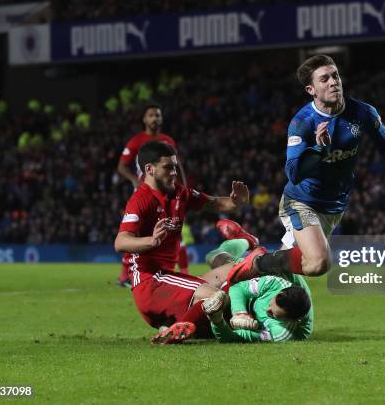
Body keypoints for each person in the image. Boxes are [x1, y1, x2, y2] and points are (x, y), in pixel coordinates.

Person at [228, 54, 385, 282]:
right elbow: (293, 173)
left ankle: (245, 286)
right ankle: (257, 262)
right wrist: (318, 150)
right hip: (301, 202)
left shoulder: (363, 113)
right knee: (318, 262)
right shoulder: (303, 122)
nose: (333, 82)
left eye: (335, 76)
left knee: (283, 275)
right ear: (311, 90)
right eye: (324, 79)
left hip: (334, 207)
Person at [114, 141, 249, 344]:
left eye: (175, 167)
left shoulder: (180, 193)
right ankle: (176, 331)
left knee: (237, 270)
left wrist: (236, 202)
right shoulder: (140, 200)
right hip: (150, 283)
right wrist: (151, 241)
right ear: (149, 169)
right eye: (168, 167)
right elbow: (120, 242)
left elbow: (214, 203)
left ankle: (177, 325)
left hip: (168, 279)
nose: (174, 172)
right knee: (218, 298)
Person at [201, 220, 313, 343]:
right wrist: (240, 313)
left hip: (265, 293)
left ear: (292, 321)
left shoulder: (281, 333)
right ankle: (247, 240)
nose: (267, 310)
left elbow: (235, 337)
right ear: (279, 293)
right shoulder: (278, 284)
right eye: (270, 304)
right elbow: (238, 288)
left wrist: (217, 321)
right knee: (214, 257)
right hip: (271, 273)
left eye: (273, 314)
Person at [115, 103, 189, 286]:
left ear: (161, 119)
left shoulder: (168, 141)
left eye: (157, 115)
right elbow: (121, 166)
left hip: (167, 193)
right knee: (133, 233)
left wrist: (184, 188)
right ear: (144, 119)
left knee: (172, 230)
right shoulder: (136, 141)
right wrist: (134, 179)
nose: (154, 118)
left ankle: (181, 272)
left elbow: (177, 165)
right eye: (151, 115)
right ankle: (126, 276)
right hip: (145, 193)